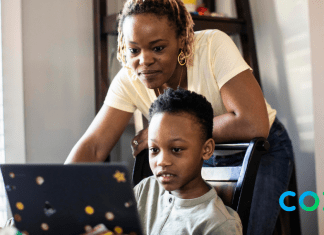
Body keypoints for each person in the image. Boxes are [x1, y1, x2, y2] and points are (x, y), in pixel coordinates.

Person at [65, 0, 294, 234]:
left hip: (258, 150)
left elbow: (252, 122)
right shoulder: (130, 78)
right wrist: (57, 194)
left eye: (158, 48)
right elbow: (93, 146)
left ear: (181, 41)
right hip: (198, 155)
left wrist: (171, 135)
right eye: (134, 49)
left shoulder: (213, 45)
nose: (144, 60)